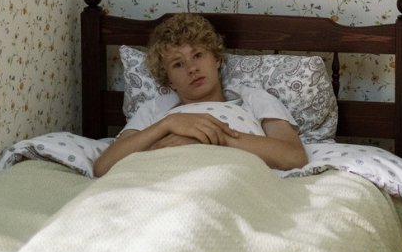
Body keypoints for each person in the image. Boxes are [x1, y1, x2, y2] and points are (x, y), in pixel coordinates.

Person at [91, 13, 309, 176]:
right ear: (168, 80)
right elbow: (103, 167)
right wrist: (168, 124)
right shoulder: (156, 109)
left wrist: (211, 138)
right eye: (178, 64)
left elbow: (294, 157)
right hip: (163, 178)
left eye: (198, 55)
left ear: (217, 59)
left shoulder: (252, 99)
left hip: (232, 177)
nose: (192, 68)